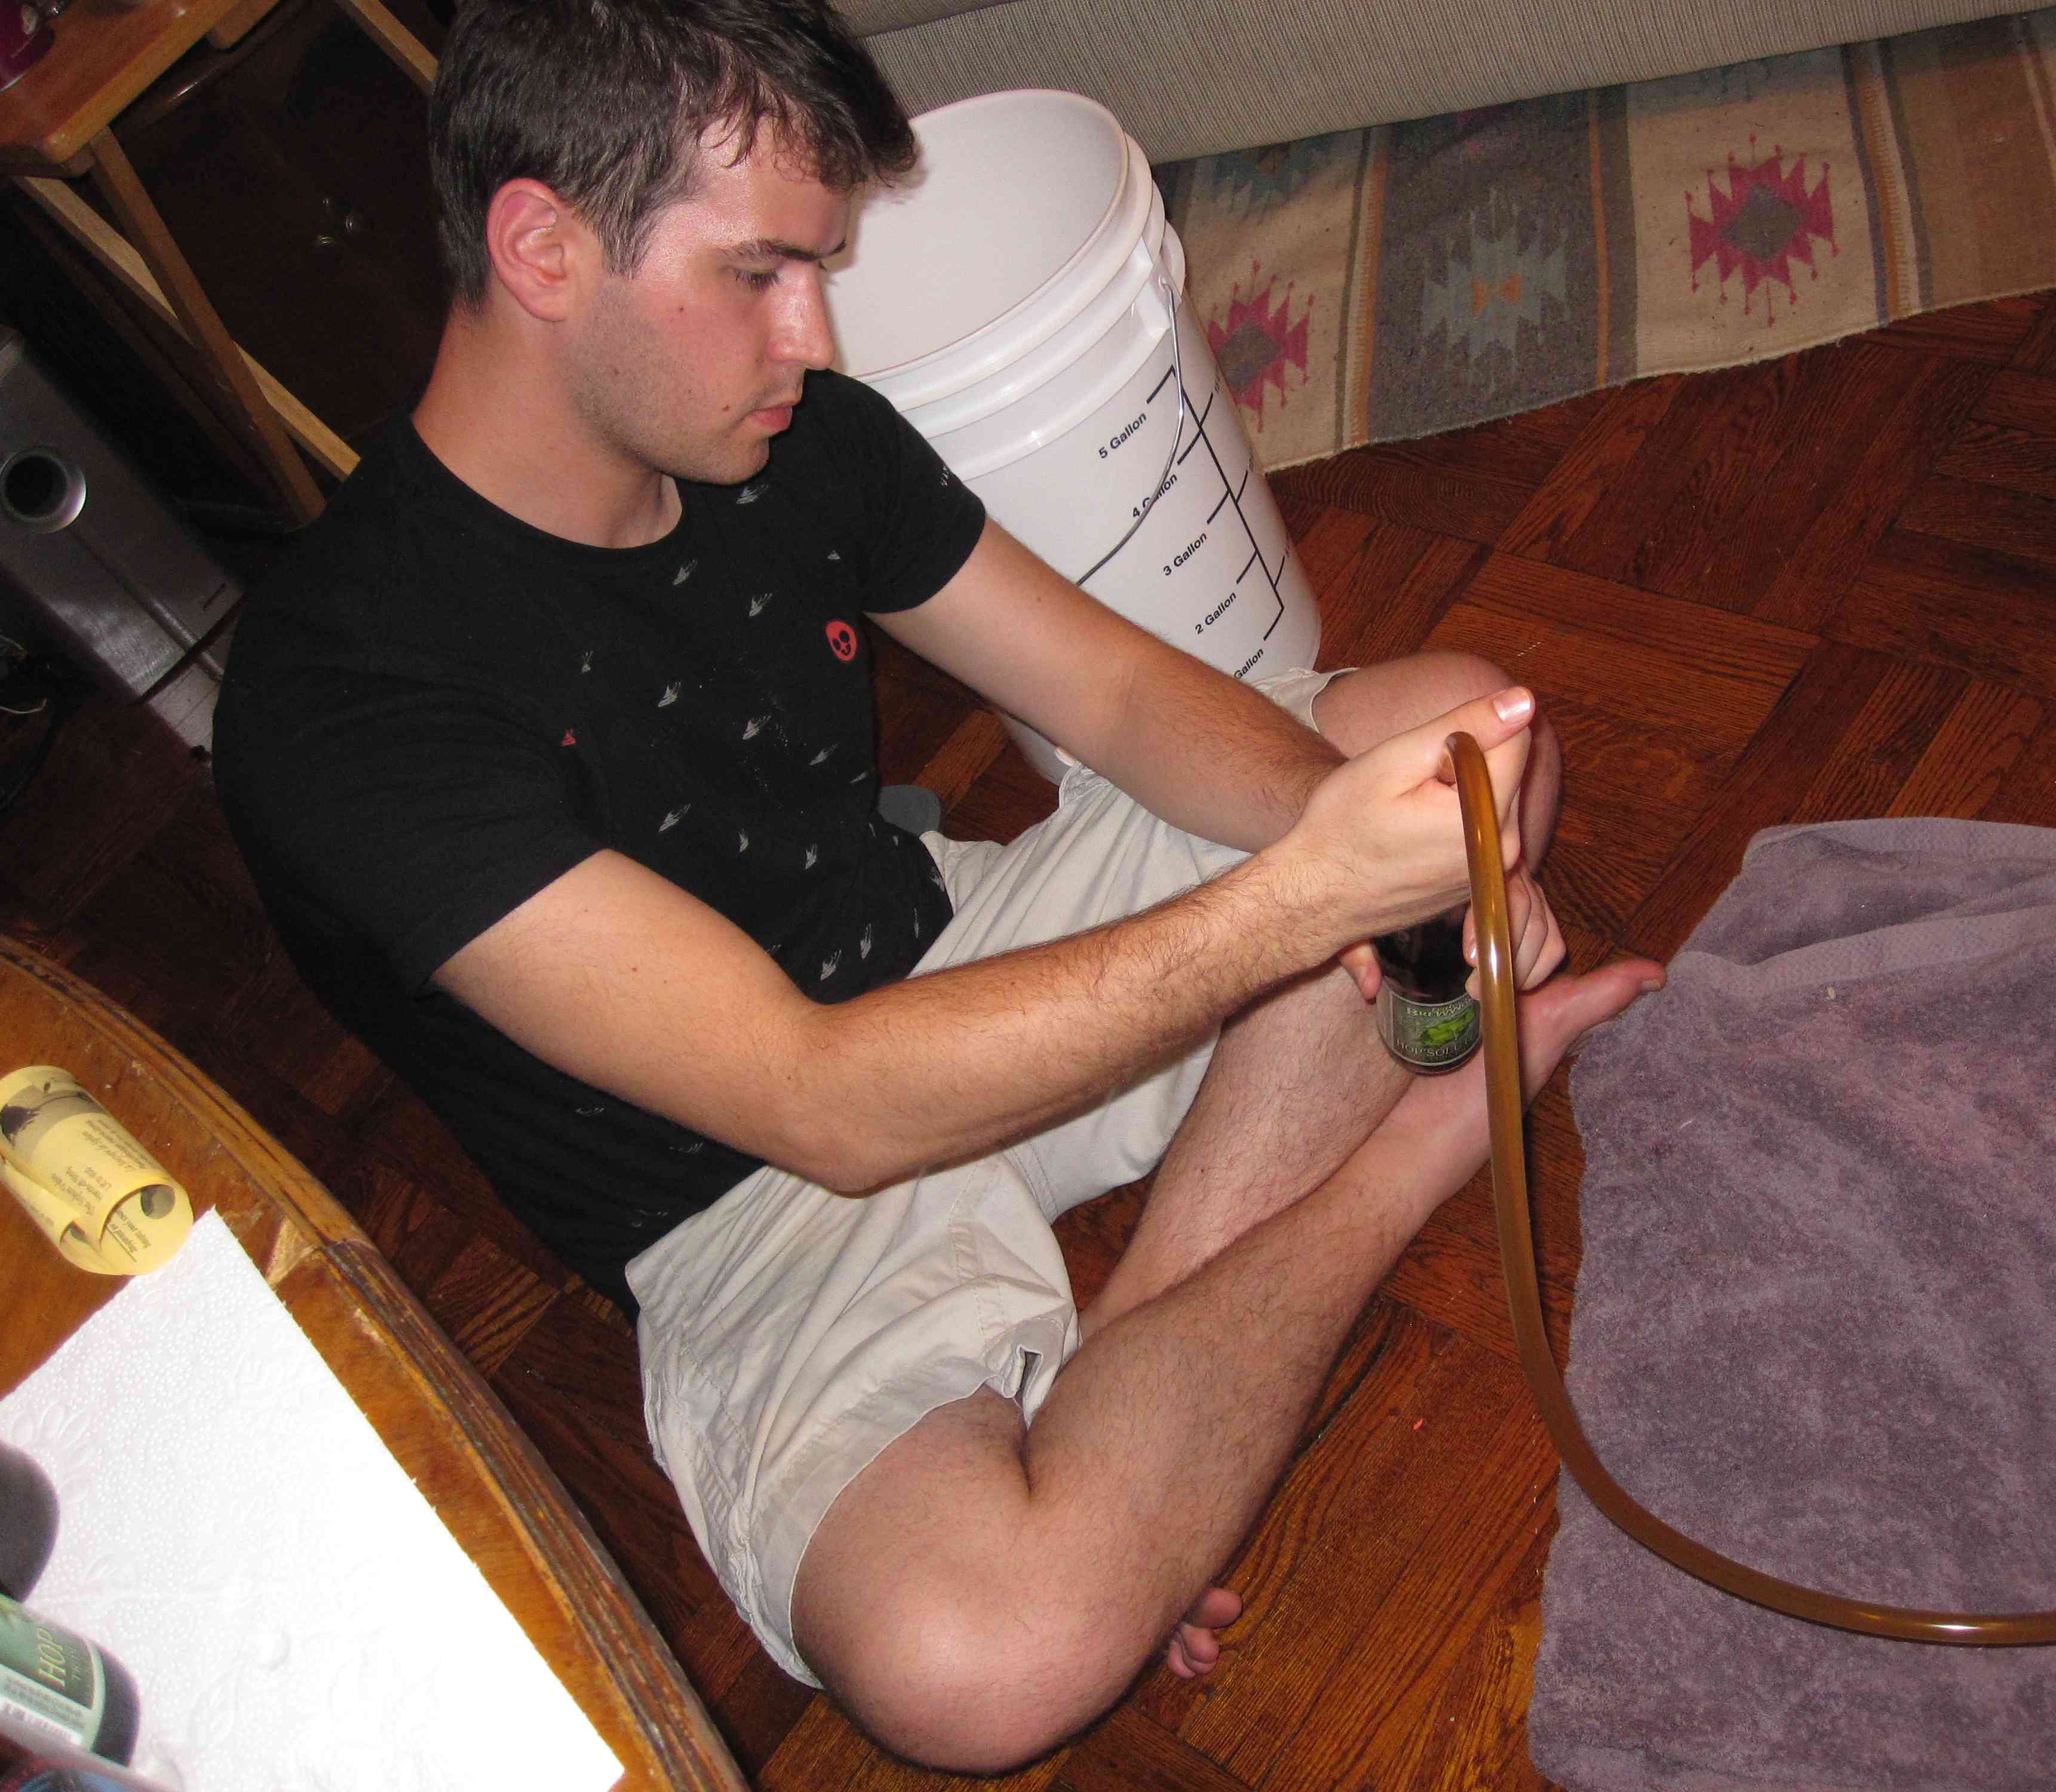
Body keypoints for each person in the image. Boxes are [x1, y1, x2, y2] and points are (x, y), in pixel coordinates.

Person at [211, 0, 1661, 1772]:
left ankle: (1130, 1337)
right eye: (761, 272)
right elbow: (817, 1103)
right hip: (750, 1196)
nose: (814, 337)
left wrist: (1359, 843)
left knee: (1459, 743)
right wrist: (1314, 904)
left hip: (957, 940)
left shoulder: (793, 433)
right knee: (975, 1659)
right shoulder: (342, 700)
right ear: (543, 248)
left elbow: (1114, 695)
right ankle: (1412, 1158)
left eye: (820, 270)